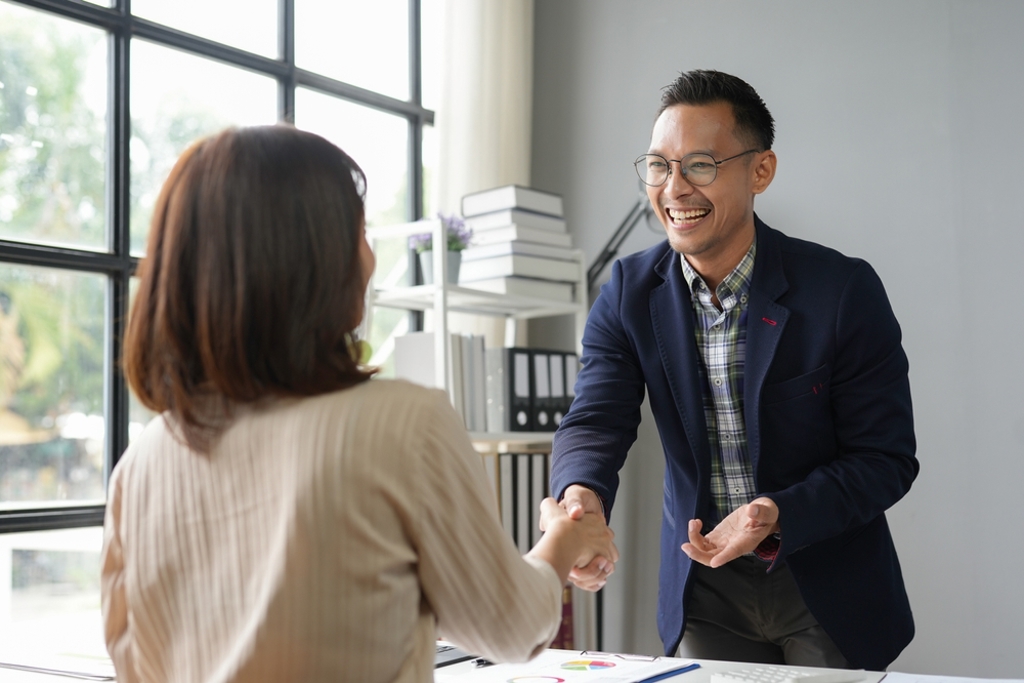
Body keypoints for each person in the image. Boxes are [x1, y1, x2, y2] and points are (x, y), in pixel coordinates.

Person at [101, 125, 618, 683]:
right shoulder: (402, 424)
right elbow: (509, 626)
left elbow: (131, 657)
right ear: (318, 260)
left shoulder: (142, 463)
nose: (371, 258)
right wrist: (563, 542)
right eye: (361, 231)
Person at [550, 70, 918, 671]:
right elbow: (596, 417)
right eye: (658, 166)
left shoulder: (841, 290)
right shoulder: (627, 291)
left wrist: (775, 515)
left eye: (698, 165)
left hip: (822, 580)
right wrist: (580, 499)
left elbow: (886, 458)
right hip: (705, 588)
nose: (674, 189)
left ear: (760, 171)